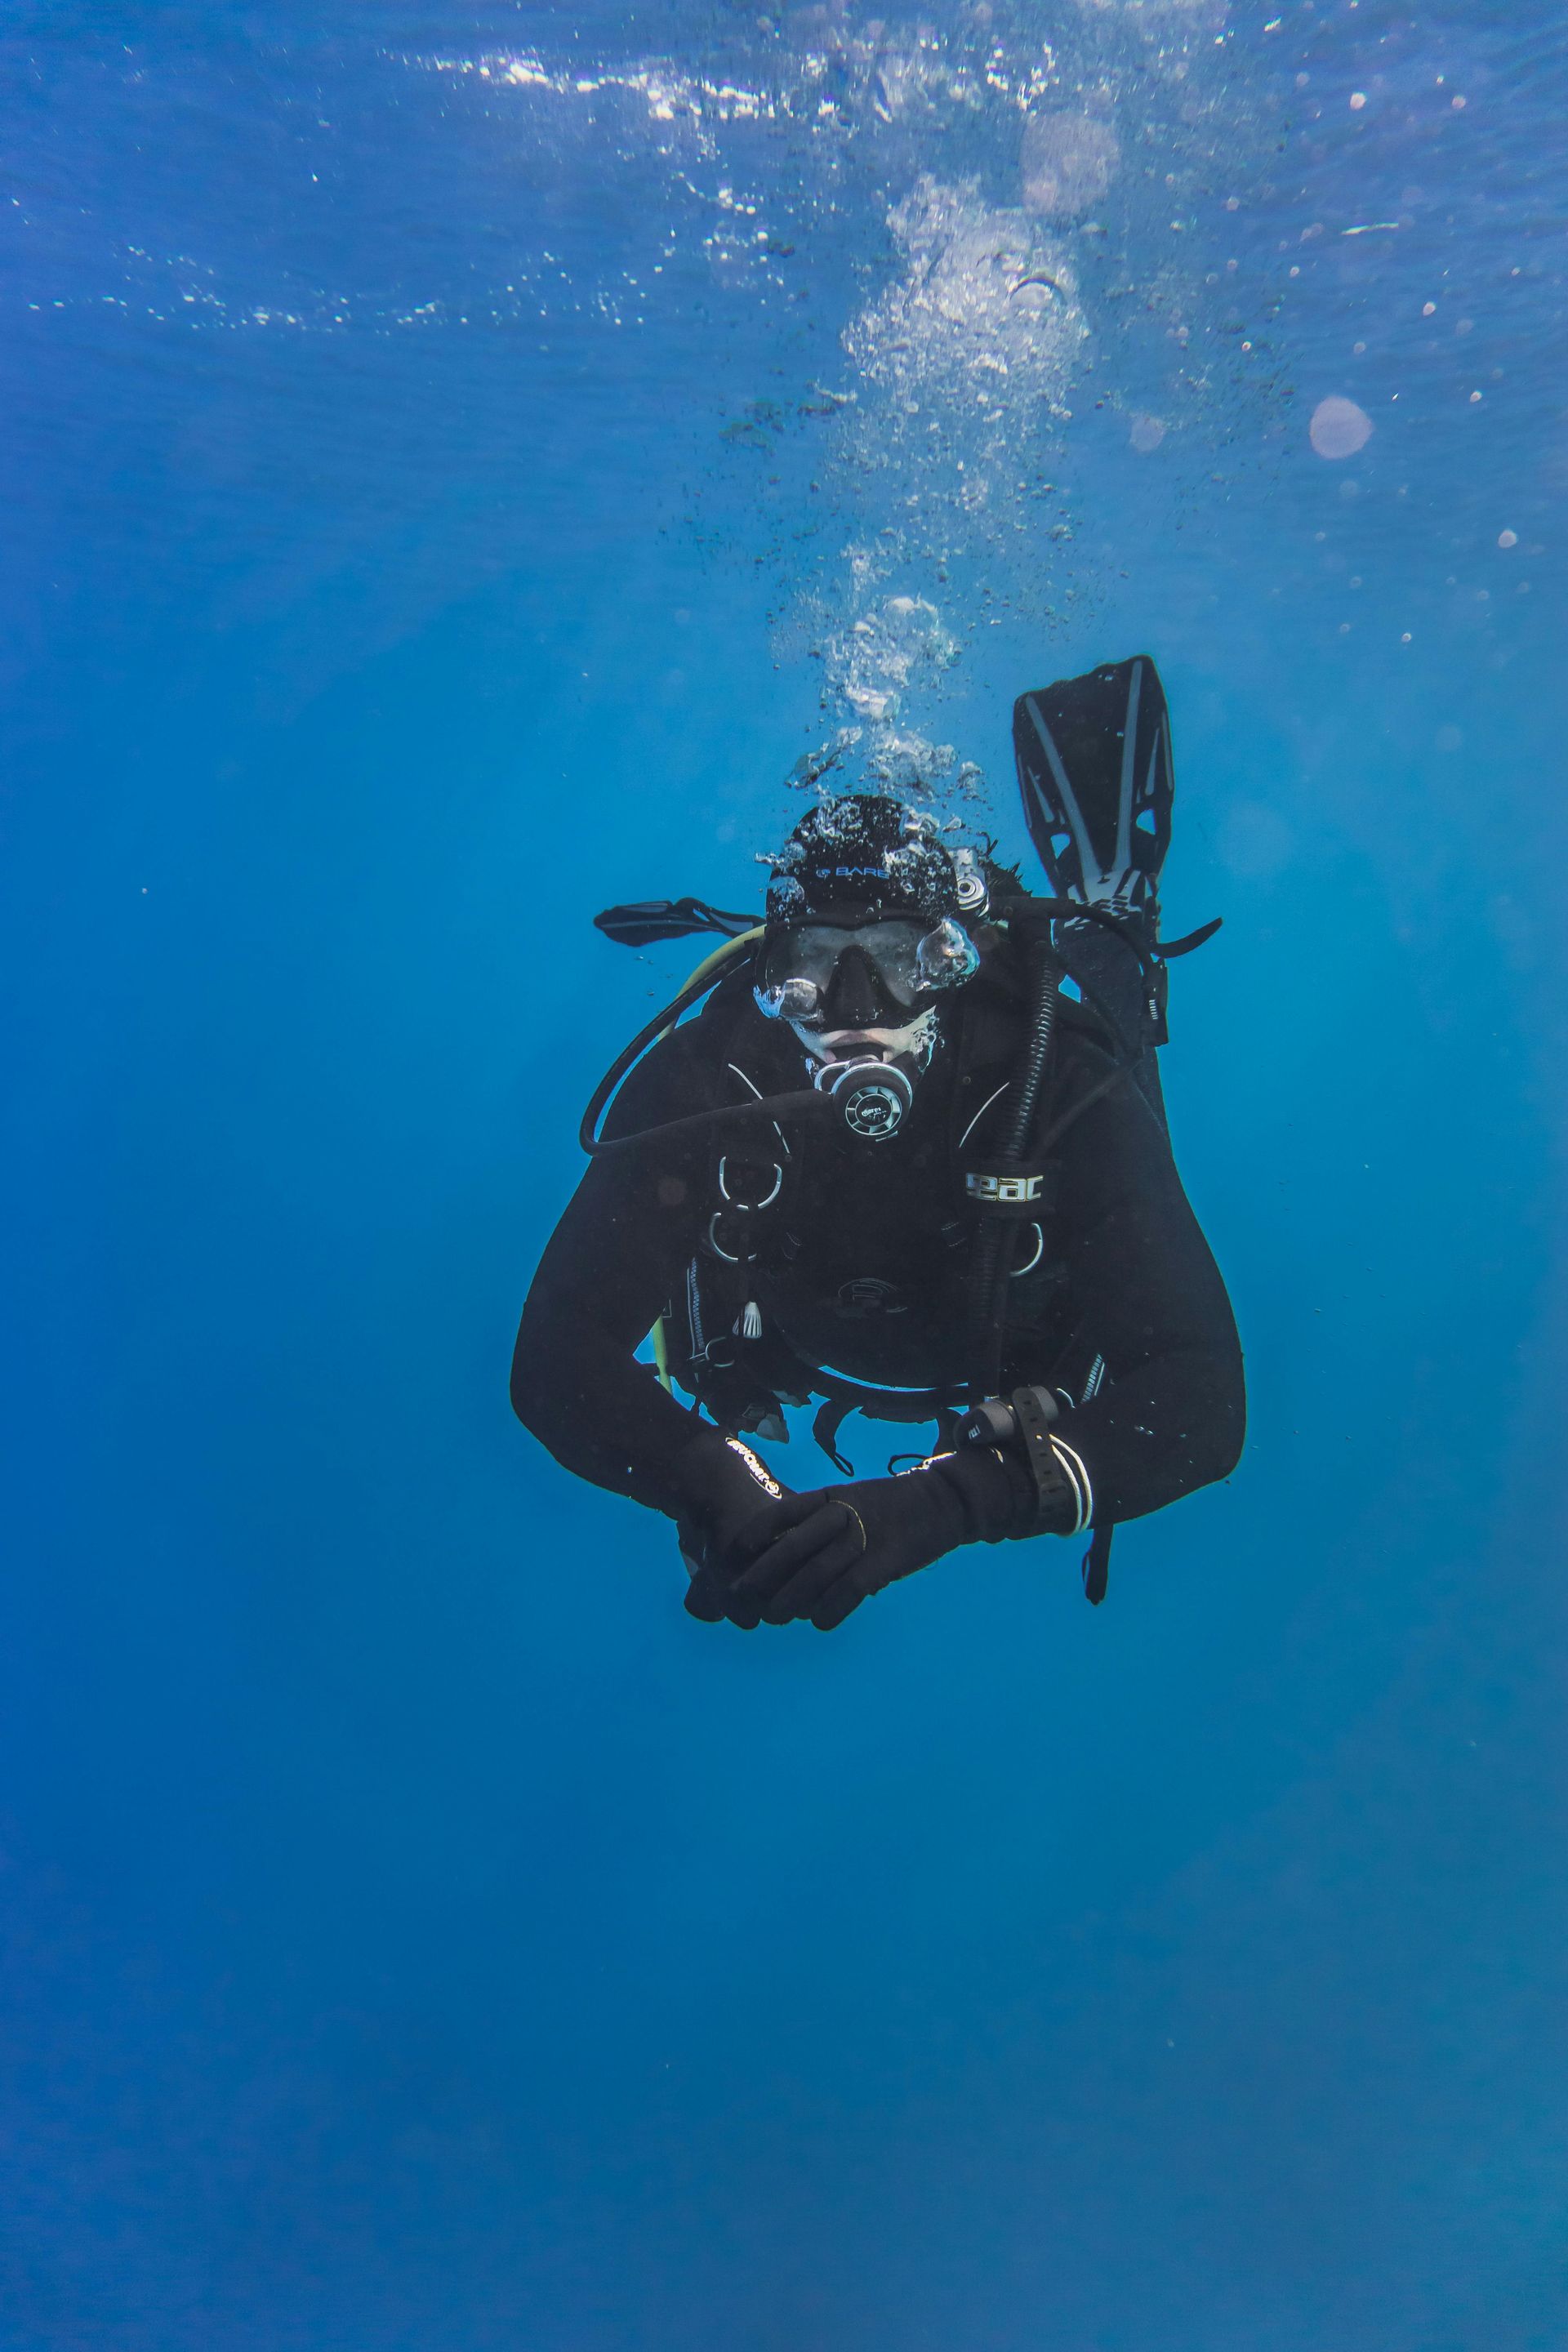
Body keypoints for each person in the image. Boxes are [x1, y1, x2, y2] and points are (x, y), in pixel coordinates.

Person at [512, 654, 1244, 1631]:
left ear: (951, 959)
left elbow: (1200, 1398)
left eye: (900, 961)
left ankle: (1109, 930)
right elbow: (555, 1354)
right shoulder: (708, 1080)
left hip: (1024, 1369)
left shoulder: (1056, 1081)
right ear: (772, 978)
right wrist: (705, 1481)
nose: (857, 1010)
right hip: (777, 1353)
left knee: (1109, 1051)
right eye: (817, 968)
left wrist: (956, 1503)